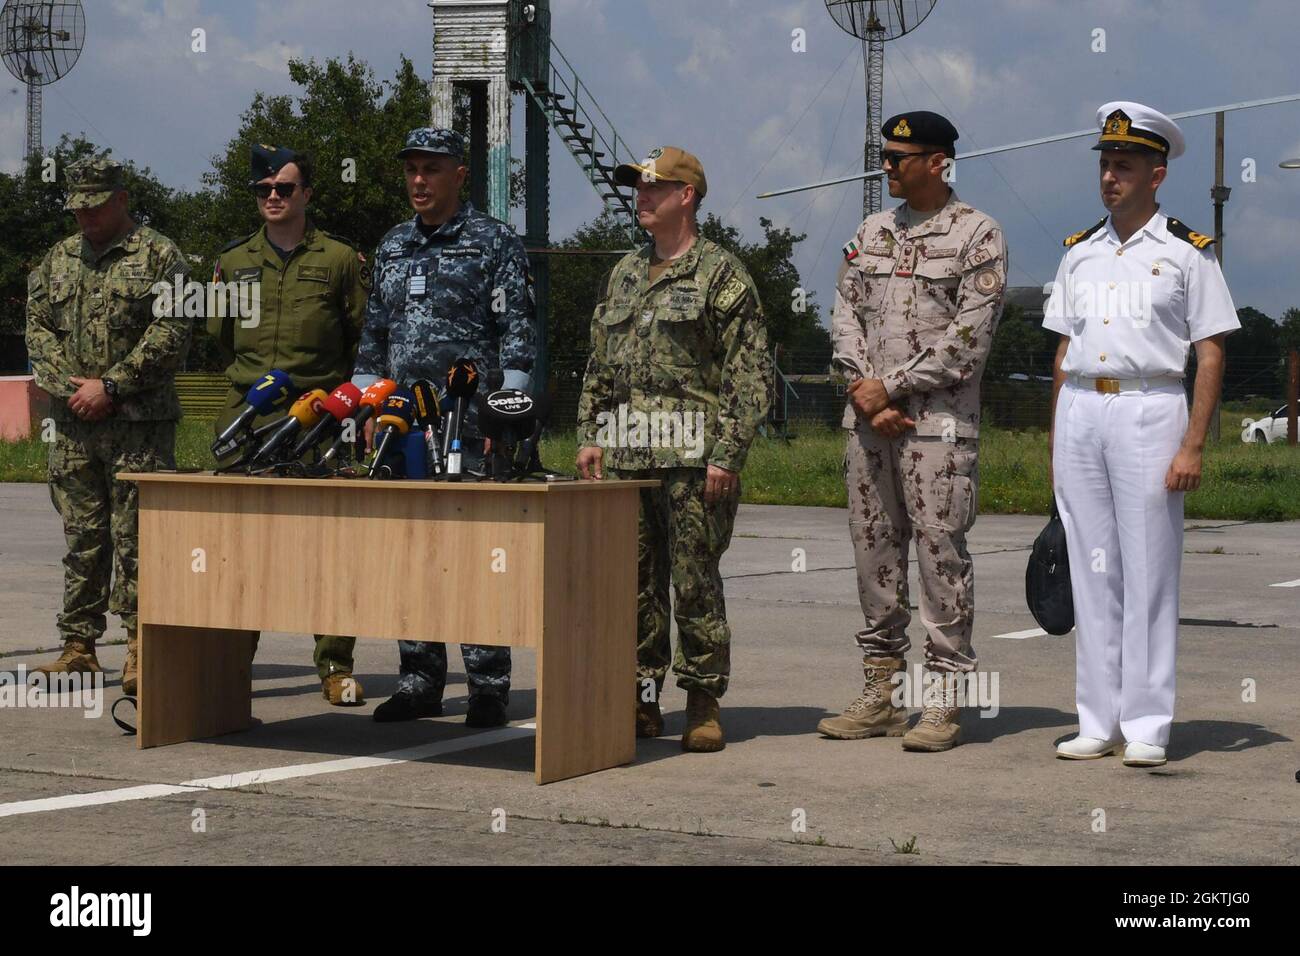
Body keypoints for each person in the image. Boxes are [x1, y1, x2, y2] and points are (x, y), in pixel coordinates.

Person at [1046, 102, 1239, 768]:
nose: (1110, 177)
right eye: (1105, 164)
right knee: (1092, 572)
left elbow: (1210, 351)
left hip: (1150, 408)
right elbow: (1062, 350)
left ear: (1157, 175)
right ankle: (1097, 720)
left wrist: (1193, 444)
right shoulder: (1080, 253)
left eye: (1124, 166)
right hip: (1081, 409)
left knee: (1149, 573)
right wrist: (1056, 446)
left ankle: (1149, 723)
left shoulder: (1188, 253)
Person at [820, 111, 1007, 752]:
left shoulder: (978, 236)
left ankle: (944, 699)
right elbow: (844, 313)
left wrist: (890, 387)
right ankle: (879, 690)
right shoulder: (871, 233)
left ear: (937, 162)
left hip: (939, 431)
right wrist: (866, 393)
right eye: (885, 155)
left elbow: (968, 342)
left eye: (900, 157)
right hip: (869, 424)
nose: (888, 166)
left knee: (939, 556)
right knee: (874, 553)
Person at [575, 145, 771, 752]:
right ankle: (642, 697)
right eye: (638, 187)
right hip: (628, 458)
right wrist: (590, 435)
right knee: (634, 584)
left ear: (686, 196)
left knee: (693, 582)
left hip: (693, 460)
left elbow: (751, 371)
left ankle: (703, 700)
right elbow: (599, 364)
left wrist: (727, 454)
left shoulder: (722, 275)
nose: (642, 196)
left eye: (654, 188)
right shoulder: (625, 273)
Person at [353, 127, 535, 727]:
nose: (418, 181)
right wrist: (364, 407)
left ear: (460, 175)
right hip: (402, 424)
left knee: (476, 553)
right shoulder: (393, 246)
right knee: (411, 553)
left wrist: (506, 415)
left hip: (470, 425)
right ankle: (418, 679)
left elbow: (518, 332)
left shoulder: (493, 242)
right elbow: (374, 335)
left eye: (431, 169)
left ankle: (487, 685)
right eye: (411, 169)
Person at [209, 143, 370, 707]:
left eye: (284, 188)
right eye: (263, 190)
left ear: (307, 194)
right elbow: (222, 338)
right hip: (249, 417)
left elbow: (360, 339)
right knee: (239, 550)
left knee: (328, 547)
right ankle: (227, 668)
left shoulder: (341, 260)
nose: (272, 197)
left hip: (318, 420)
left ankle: (335, 665)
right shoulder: (231, 263)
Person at [25, 157, 191, 695]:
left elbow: (173, 332)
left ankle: (142, 644)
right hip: (74, 427)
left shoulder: (161, 255)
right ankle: (78, 646)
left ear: (121, 199)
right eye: (78, 209)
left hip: (138, 426)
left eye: (95, 208)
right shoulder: (58, 260)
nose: (85, 219)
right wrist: (73, 390)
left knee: (139, 537)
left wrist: (112, 386)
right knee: (83, 536)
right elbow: (37, 330)